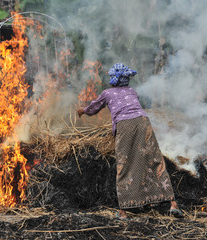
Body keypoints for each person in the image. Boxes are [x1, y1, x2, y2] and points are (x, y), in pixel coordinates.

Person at [77, 63, 183, 219]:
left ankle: (123, 212)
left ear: (114, 78)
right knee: (154, 160)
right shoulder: (132, 91)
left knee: (124, 164)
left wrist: (83, 110)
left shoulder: (107, 93)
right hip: (143, 122)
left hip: (125, 125)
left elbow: (93, 108)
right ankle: (173, 204)